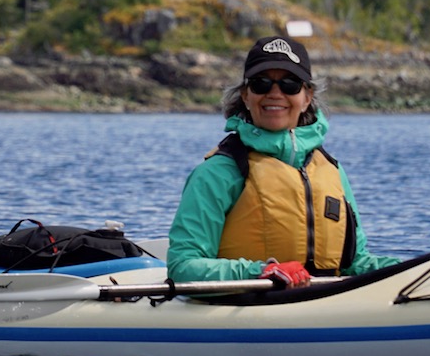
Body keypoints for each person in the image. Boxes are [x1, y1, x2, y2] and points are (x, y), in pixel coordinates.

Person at [167, 34, 400, 288]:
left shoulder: (332, 170)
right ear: (246, 95)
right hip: (248, 307)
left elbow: (356, 263)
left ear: (307, 97)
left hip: (326, 303)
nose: (275, 93)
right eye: (261, 84)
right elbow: (183, 266)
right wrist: (262, 272)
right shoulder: (217, 173)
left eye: (289, 84)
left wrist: (422, 267)